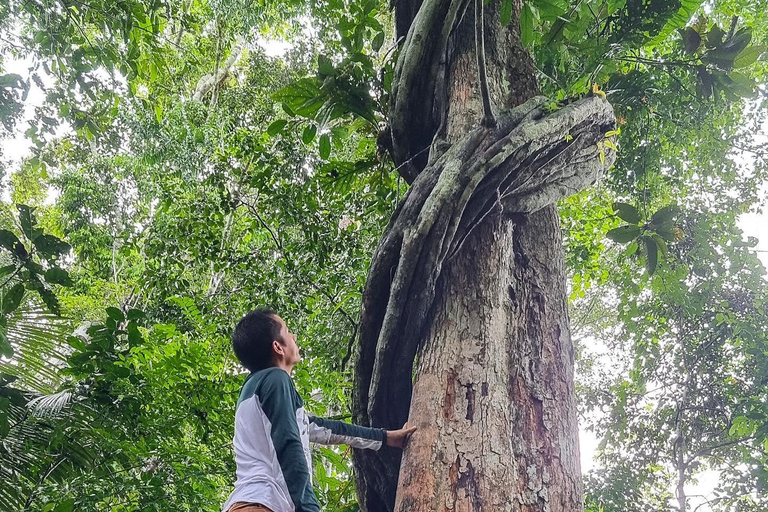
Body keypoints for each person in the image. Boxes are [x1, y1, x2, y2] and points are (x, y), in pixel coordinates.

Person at [222, 308, 416, 512]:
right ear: (278, 347)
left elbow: (326, 429)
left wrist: (385, 437)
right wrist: (308, 508)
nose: (294, 336)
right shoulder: (275, 380)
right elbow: (288, 443)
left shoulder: (257, 388)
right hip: (260, 503)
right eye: (287, 331)